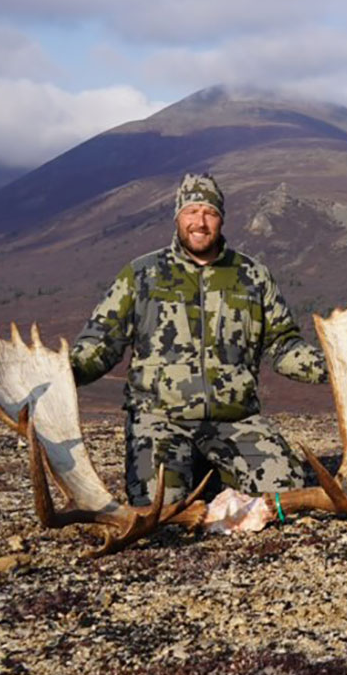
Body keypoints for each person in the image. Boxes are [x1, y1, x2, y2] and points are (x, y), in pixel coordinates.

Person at [69, 172, 329, 506]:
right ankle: (204, 476)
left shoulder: (253, 276)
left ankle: (211, 473)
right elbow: (103, 341)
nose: (200, 222)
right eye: (192, 212)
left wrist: (333, 368)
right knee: (157, 511)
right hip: (159, 419)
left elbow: (283, 345)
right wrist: (68, 371)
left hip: (235, 420)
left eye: (210, 213)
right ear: (178, 217)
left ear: (221, 219)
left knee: (285, 495)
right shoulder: (142, 274)